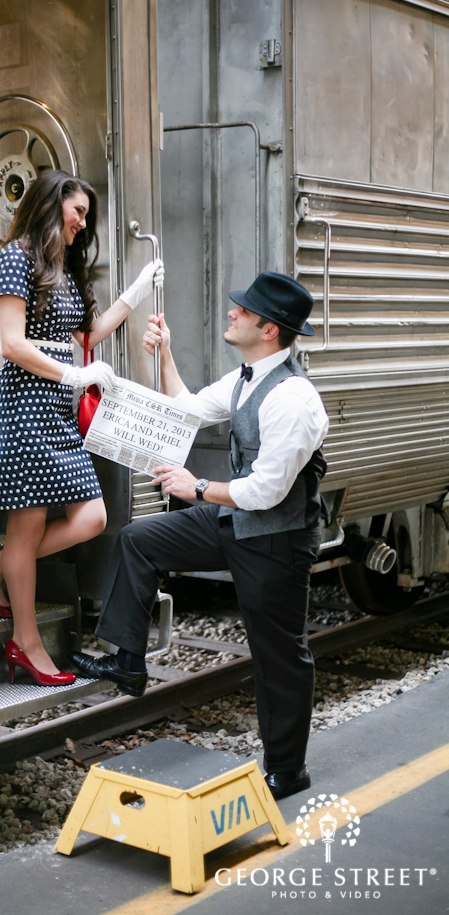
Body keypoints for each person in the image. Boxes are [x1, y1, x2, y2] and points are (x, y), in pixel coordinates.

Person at [68, 272, 329, 800]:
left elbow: (267, 491)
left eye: (243, 311)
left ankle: (286, 769)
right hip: (237, 521)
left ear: (270, 330)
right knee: (140, 539)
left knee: (278, 653)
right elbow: (185, 407)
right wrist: (163, 354)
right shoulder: (247, 378)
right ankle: (128, 659)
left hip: (277, 536)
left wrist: (199, 486)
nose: (232, 314)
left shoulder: (294, 400)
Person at [0, 170, 163, 687]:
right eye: (78, 212)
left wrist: (136, 293)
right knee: (26, 528)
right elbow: (11, 343)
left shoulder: (61, 269)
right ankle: (25, 644)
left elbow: (87, 333)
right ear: (52, 207)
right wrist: (76, 372)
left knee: (91, 516)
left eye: (85, 216)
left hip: (54, 406)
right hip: (24, 404)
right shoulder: (15, 259)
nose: (82, 224)